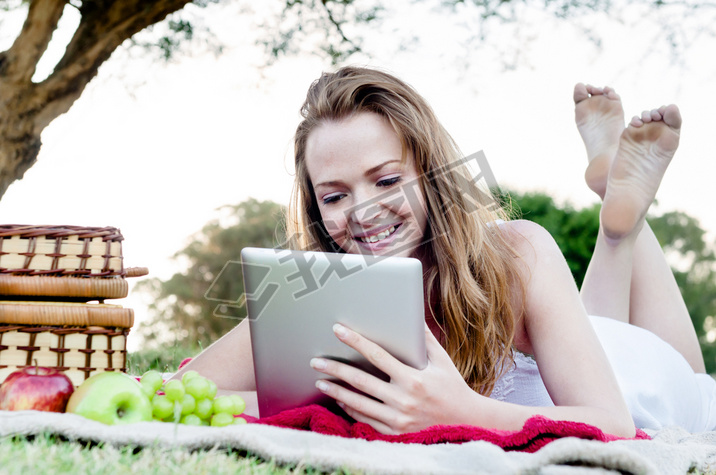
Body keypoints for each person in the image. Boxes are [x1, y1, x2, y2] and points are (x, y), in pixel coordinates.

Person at [174, 66, 716, 436]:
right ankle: (618, 218)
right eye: (335, 196)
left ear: (431, 176)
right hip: (572, 351)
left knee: (696, 382)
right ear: (316, 210)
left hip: (638, 378)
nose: (363, 213)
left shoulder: (518, 250)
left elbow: (613, 424)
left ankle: (622, 219)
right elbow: (185, 392)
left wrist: (464, 411)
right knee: (589, 323)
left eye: (387, 181)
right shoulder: (318, 291)